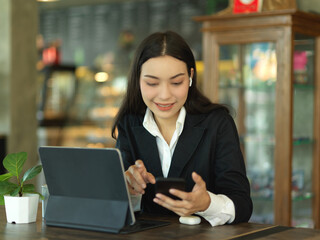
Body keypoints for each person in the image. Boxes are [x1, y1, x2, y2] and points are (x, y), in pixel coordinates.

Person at [111, 31, 252, 226]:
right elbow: (118, 208)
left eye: (176, 82)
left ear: (190, 76)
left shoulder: (217, 123)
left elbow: (243, 205)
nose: (165, 95)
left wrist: (207, 203)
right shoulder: (129, 123)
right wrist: (129, 188)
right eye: (152, 83)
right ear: (138, 79)